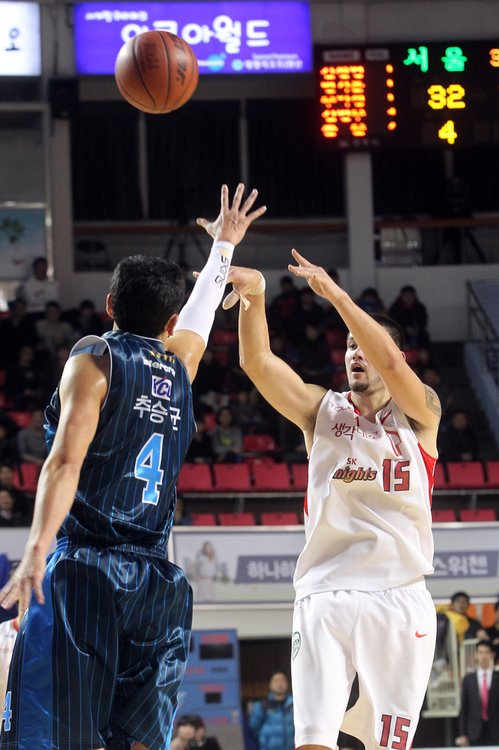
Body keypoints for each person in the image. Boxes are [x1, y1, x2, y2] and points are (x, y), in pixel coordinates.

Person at [0, 184, 266, 750]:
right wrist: (222, 248)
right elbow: (198, 323)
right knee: (139, 741)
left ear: (109, 306)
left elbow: (65, 462)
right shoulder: (180, 367)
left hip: (86, 573)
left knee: (53, 736)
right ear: (169, 323)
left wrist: (34, 551)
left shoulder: (94, 359)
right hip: (157, 583)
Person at [214, 248, 441, 750]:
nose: (356, 353)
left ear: (398, 356)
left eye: (366, 345)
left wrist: (337, 295)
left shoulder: (424, 414)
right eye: (350, 346)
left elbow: (387, 358)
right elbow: (257, 363)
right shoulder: (322, 410)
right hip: (325, 593)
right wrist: (256, 298)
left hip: (400, 596)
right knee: (312, 740)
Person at [455, 640, 499, 746]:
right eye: (480, 652)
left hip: (495, 731)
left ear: (492, 655)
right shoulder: (468, 679)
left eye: (487, 652)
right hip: (474, 731)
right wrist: (463, 734)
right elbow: (464, 708)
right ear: (476, 655)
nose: (484, 656)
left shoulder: (497, 677)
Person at [248, 672, 294, 750]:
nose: (279, 684)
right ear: (270, 684)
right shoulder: (262, 706)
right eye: (276, 681)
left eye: (283, 680)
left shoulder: (294, 705)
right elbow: (253, 729)